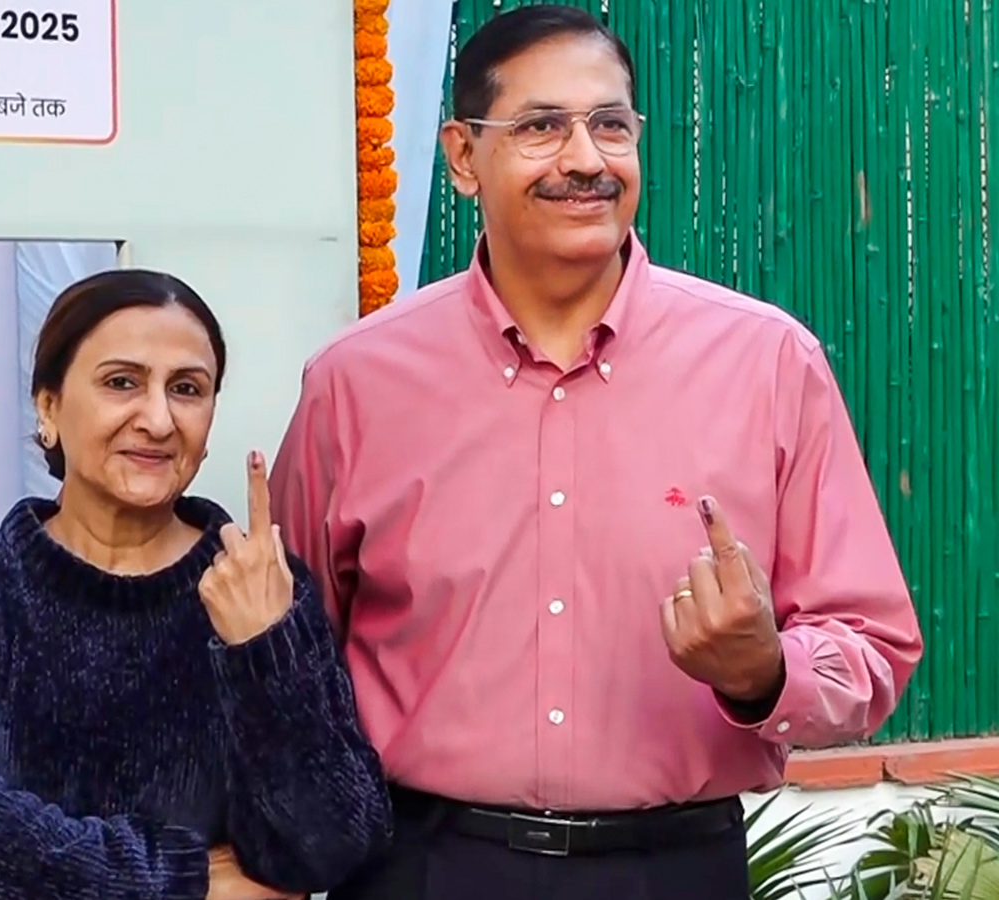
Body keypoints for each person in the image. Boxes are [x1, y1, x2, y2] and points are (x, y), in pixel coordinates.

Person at [268, 6, 924, 900]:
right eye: (541, 127)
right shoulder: (358, 383)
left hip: (676, 868)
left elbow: (873, 643)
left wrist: (765, 671)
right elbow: (288, 655)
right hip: (421, 863)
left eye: (610, 125)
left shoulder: (767, 363)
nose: (585, 159)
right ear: (463, 157)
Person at [0, 269, 392, 900]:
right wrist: (184, 880)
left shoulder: (257, 584)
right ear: (49, 407)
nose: (158, 419)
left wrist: (263, 654)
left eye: (188, 389)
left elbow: (334, 845)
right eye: (122, 382)